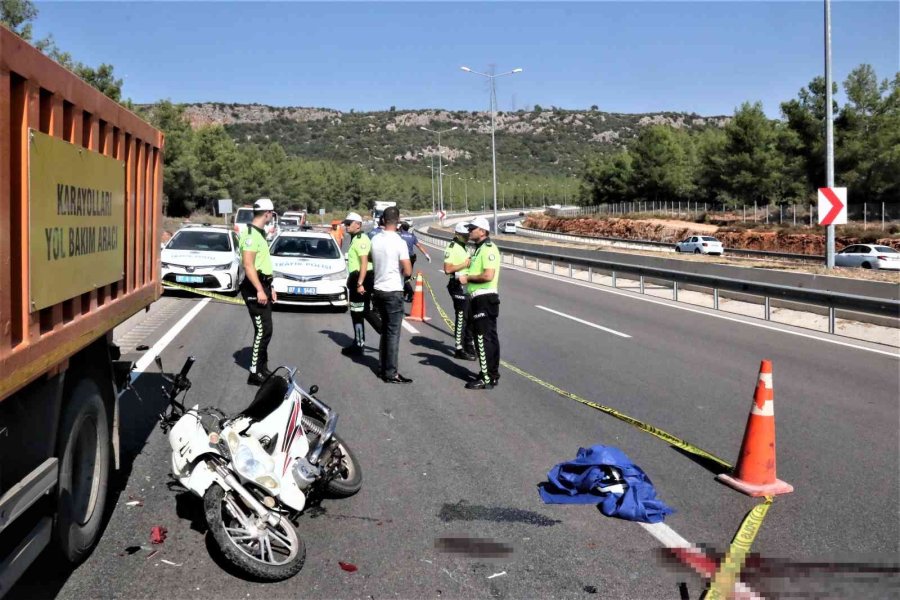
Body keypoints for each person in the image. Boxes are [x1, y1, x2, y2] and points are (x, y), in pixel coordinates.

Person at [371, 206, 413, 384]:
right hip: (393, 290)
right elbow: (408, 270)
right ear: (398, 221)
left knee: (385, 333)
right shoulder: (399, 242)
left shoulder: (375, 239)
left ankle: (382, 367)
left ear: (382, 220)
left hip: (378, 289)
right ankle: (391, 372)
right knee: (393, 333)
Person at [460, 216, 501, 390]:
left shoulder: (488, 249)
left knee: (482, 339)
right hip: (478, 297)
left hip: (484, 297)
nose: (469, 231)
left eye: (472, 228)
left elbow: (488, 275)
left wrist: (467, 277)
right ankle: (490, 373)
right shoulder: (478, 249)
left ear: (482, 231)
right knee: (489, 338)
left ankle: (487, 377)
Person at [240, 199, 277, 386]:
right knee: (262, 331)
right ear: (267, 213)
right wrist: (260, 290)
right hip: (255, 287)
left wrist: (271, 288)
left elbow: (263, 264)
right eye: (272, 213)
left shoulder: (259, 234)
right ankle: (254, 372)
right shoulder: (250, 235)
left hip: (264, 284)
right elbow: (248, 265)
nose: (272, 216)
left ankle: (263, 367)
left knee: (267, 330)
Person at [341, 212, 383, 356]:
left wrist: (359, 283)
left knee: (359, 312)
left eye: (349, 223)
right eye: (345, 223)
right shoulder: (355, 239)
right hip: (358, 278)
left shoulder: (361, 239)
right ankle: (359, 342)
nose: (345, 226)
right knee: (359, 311)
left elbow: (364, 262)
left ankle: (360, 344)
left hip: (361, 279)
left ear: (358, 225)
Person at [443, 222, 476, 360]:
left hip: (467, 284)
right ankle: (459, 348)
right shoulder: (452, 247)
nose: (467, 237)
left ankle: (468, 344)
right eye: (464, 236)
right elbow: (447, 269)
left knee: (470, 317)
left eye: (468, 235)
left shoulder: (464, 247)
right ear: (457, 234)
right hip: (457, 284)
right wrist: (465, 264)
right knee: (462, 317)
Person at [399, 221, 431, 302]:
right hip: (412, 257)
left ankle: (410, 293)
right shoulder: (412, 236)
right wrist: (426, 254)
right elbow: (419, 246)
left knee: (403, 277)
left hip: (404, 258)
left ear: (401, 228)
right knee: (408, 276)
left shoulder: (399, 236)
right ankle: (405, 293)